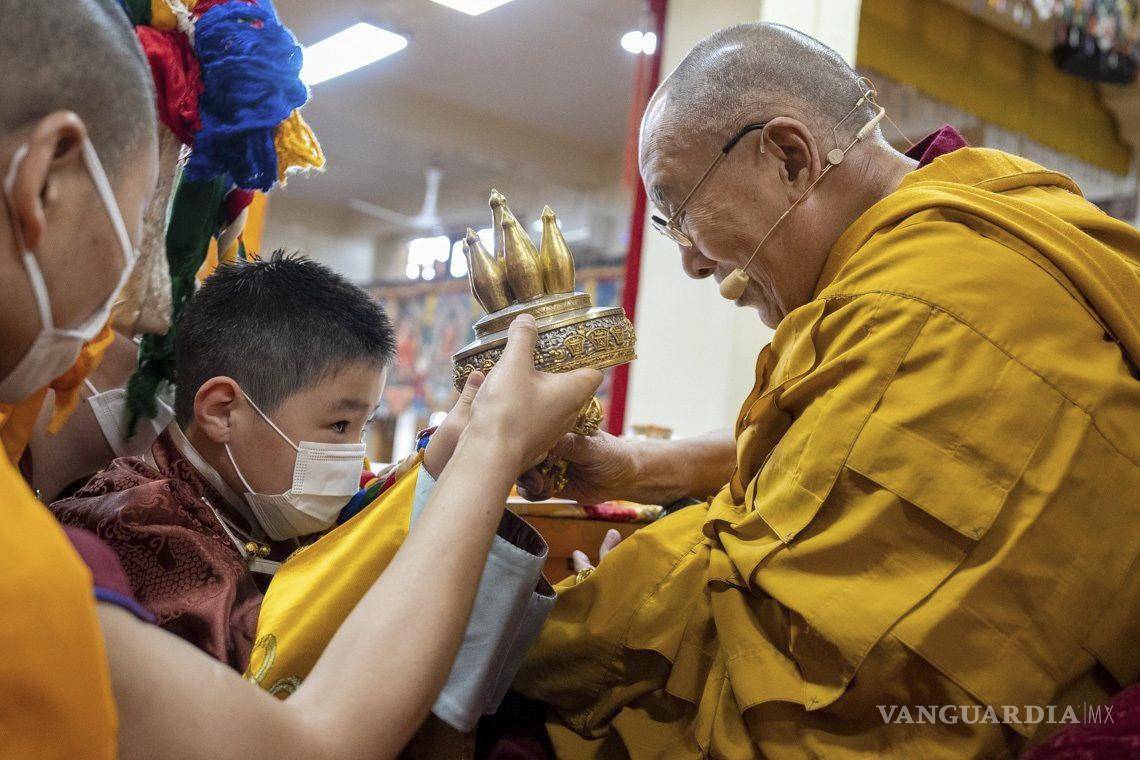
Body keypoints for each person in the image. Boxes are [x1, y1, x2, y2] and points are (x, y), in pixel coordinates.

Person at [513, 23, 1140, 759]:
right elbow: (829, 449)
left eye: (683, 215)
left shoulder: (914, 309)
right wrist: (638, 467)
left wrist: (576, 617)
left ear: (789, 156)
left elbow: (809, 660)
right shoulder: (1001, 209)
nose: (689, 261)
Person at [2, 3, 601, 758]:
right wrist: (494, 444)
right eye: (136, 231)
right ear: (44, 182)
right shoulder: (123, 538)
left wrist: (454, 453)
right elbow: (303, 744)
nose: (142, 296)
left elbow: (340, 556)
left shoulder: (254, 505)